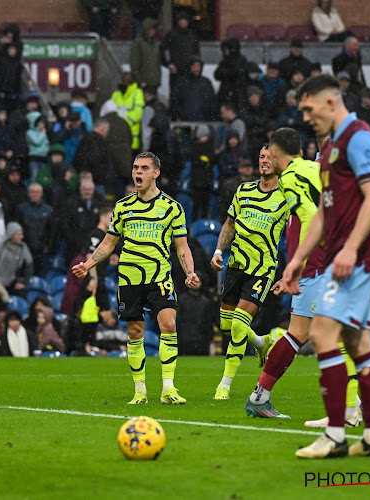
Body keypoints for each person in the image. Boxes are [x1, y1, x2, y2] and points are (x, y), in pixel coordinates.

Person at [244, 128, 370, 421]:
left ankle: (261, 397)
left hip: (318, 266)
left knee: (304, 334)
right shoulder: (318, 174)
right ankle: (349, 408)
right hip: (319, 266)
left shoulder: (299, 176)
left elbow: (324, 217)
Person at [284, 74, 370, 458]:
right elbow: (324, 217)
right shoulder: (328, 150)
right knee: (358, 342)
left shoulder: (359, 137)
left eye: (309, 109)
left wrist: (350, 250)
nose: (306, 118)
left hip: (354, 258)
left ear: (330, 102)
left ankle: (335, 436)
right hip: (338, 257)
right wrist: (296, 259)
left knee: (322, 333)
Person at [72, 152, 201, 405]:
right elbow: (109, 243)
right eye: (134, 168)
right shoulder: (122, 206)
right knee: (134, 332)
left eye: (143, 168)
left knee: (169, 325)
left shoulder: (172, 208)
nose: (137, 172)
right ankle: (140, 391)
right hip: (129, 278)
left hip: (160, 276)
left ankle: (168, 388)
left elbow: (182, 247)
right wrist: (88, 264)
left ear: (156, 173)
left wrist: (190, 272)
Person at [209, 146, 286, 400]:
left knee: (240, 323)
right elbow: (229, 224)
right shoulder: (243, 190)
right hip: (236, 265)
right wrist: (219, 250)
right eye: (261, 157)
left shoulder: (286, 197)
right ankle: (262, 343)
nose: (264, 161)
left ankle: (224, 385)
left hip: (262, 269)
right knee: (227, 325)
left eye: (269, 158)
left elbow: (299, 231)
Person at [130, 18, 161, 91]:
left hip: (154, 83)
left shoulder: (156, 44)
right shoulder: (138, 43)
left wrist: (157, 80)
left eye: (153, 29)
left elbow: (157, 63)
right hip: (143, 84)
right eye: (150, 28)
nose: (152, 31)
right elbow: (134, 64)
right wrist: (140, 80)